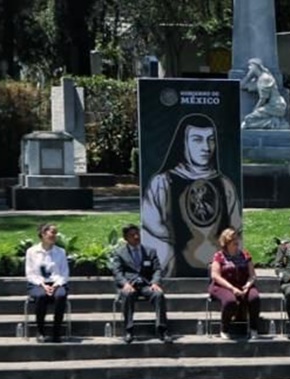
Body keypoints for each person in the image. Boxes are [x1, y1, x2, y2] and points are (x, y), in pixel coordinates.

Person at [141, 113, 242, 277]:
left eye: (211, 139)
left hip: (220, 269)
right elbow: (152, 226)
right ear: (183, 143)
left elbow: (236, 227)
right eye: (197, 140)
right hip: (175, 267)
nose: (206, 147)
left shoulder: (225, 185)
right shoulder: (163, 183)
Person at [111, 224, 171, 344]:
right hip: (129, 285)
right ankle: (129, 330)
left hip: (146, 284)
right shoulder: (119, 253)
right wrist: (125, 284)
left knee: (158, 295)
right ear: (126, 238)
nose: (136, 237)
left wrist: (155, 282)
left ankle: (162, 330)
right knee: (127, 295)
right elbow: (117, 272)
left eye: (137, 234)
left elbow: (157, 269)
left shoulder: (150, 251)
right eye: (132, 235)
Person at [209, 227, 261, 340]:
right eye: (233, 241)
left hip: (242, 284)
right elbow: (215, 276)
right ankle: (224, 329)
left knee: (254, 298)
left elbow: (252, 275)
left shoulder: (245, 255)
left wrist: (248, 285)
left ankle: (253, 329)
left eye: (237, 240)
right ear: (226, 243)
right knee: (230, 301)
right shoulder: (219, 256)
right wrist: (232, 288)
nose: (236, 243)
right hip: (223, 286)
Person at [24, 223, 70, 343]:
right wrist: (42, 285)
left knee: (60, 296)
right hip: (38, 283)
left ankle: (57, 332)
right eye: (52, 232)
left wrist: (56, 285)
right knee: (41, 296)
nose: (55, 235)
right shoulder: (31, 251)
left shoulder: (61, 252)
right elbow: (30, 273)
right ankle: (40, 331)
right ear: (43, 234)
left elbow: (64, 272)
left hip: (56, 282)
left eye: (56, 233)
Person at [239, 58, 289, 130]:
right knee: (248, 119)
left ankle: (274, 122)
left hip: (276, 105)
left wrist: (255, 110)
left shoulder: (265, 78)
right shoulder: (259, 79)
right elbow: (242, 86)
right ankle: (273, 121)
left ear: (256, 66)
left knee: (249, 118)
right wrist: (248, 75)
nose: (248, 68)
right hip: (272, 105)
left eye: (250, 66)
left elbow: (263, 99)